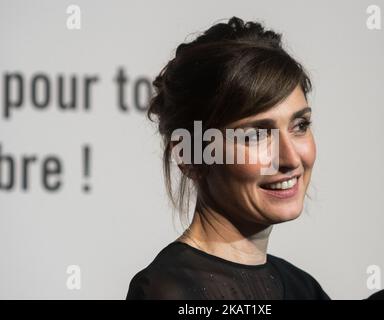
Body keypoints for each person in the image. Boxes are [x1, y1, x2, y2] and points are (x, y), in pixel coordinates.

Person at [126, 16, 329, 300]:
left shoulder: (304, 289)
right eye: (256, 134)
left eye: (300, 126)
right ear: (190, 155)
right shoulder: (171, 292)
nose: (290, 158)